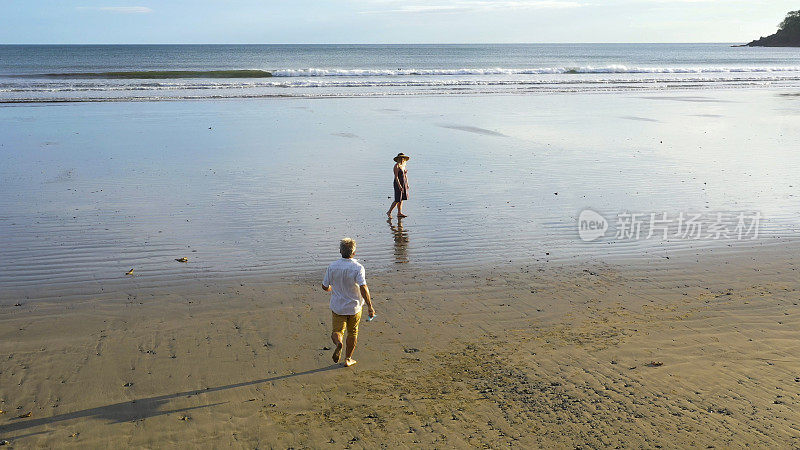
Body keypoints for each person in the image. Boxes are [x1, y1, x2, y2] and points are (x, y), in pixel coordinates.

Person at [321, 238, 375, 367]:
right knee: (353, 332)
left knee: (337, 331)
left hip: (338, 306)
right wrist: (370, 306)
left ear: (340, 251)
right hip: (354, 307)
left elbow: (324, 286)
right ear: (354, 253)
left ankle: (339, 343)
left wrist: (331, 288)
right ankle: (348, 358)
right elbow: (363, 287)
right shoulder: (358, 267)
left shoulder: (332, 266)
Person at [387, 153, 410, 218]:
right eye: (401, 158)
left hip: (404, 183)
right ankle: (389, 212)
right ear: (398, 159)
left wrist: (407, 183)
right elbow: (396, 177)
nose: (402, 159)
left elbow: (405, 176)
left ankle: (399, 213)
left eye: (403, 158)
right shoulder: (396, 166)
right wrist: (399, 185)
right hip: (398, 183)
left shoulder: (403, 166)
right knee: (397, 199)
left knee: (401, 199)